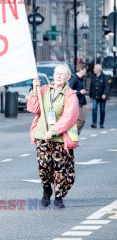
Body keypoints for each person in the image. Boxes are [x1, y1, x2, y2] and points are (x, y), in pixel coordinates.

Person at [27, 64, 79, 209]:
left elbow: (70, 116)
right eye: (56, 73)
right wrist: (33, 91)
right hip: (42, 135)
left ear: (68, 77)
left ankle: (58, 197)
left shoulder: (70, 95)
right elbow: (33, 108)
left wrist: (55, 130)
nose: (58, 76)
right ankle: (46, 189)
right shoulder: (43, 90)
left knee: (60, 168)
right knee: (44, 167)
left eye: (62, 74)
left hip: (59, 138)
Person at [68, 63, 88, 134]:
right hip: (75, 103)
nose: (86, 72)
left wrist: (85, 103)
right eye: (85, 70)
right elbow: (68, 92)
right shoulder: (73, 79)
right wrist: (79, 92)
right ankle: (72, 136)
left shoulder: (80, 80)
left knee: (77, 121)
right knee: (81, 120)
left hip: (80, 103)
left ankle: (73, 138)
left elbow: (83, 92)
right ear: (81, 70)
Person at [89, 64, 110, 129]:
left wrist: (105, 94)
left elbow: (107, 87)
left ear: (98, 70)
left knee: (102, 110)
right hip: (95, 96)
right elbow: (91, 86)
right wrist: (90, 96)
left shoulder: (104, 77)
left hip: (102, 97)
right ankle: (94, 123)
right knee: (94, 109)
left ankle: (101, 123)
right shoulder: (93, 77)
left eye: (94, 68)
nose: (93, 70)